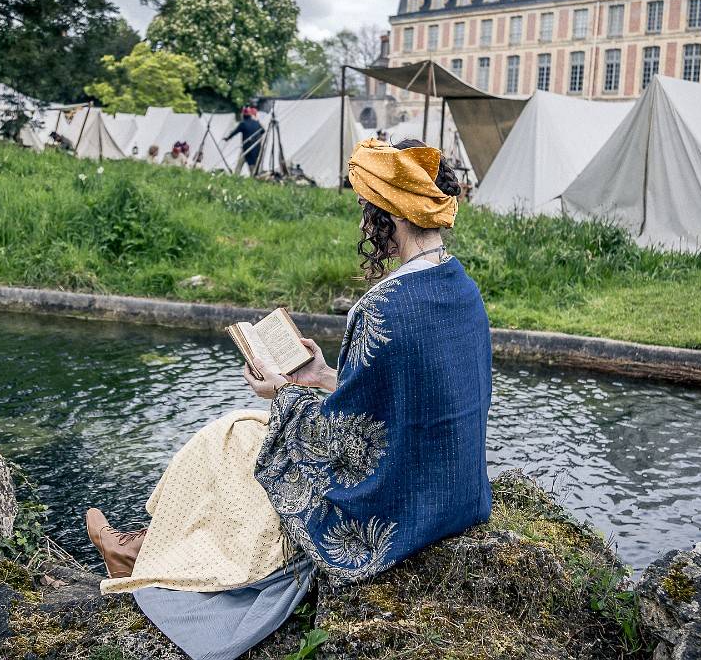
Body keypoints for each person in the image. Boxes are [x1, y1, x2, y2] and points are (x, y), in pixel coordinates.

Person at [84, 137, 492, 660]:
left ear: (392, 215)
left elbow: (345, 441)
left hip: (397, 502)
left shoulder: (382, 307)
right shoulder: (461, 288)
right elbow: (405, 398)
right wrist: (322, 376)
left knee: (231, 435)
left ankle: (144, 553)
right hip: (454, 489)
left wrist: (279, 390)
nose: (364, 222)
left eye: (367, 209)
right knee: (254, 433)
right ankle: (145, 546)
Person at [224, 106, 264, 175]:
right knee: (252, 167)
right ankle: (253, 178)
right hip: (255, 148)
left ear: (243, 115)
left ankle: (235, 177)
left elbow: (234, 132)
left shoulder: (243, 124)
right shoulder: (257, 123)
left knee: (239, 166)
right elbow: (263, 131)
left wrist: (227, 138)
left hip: (246, 149)